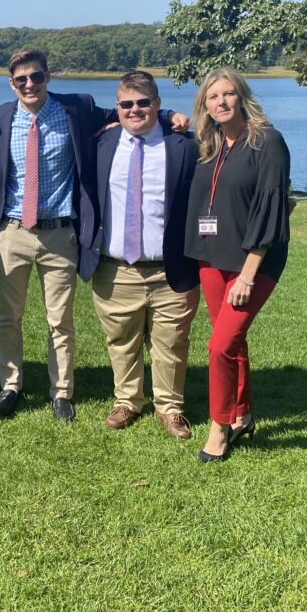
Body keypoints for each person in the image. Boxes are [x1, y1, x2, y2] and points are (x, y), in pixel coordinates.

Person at [0, 49, 114, 423]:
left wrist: (168, 115)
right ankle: (10, 386)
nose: (30, 85)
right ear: (12, 84)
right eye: (22, 79)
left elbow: (124, 114)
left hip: (60, 234)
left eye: (37, 77)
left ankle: (61, 392)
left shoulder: (77, 107)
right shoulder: (0, 118)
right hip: (12, 233)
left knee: (59, 320)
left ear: (48, 77)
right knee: (8, 316)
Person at [79, 71, 199, 440]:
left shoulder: (185, 146)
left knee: (172, 343)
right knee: (120, 340)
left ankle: (170, 407)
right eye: (127, 104)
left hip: (171, 268)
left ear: (157, 104)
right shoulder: (100, 144)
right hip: (115, 268)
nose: (135, 110)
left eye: (144, 103)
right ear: (117, 108)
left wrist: (170, 119)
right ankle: (127, 400)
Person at [184, 68, 291, 463]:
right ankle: (242, 414)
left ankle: (219, 426)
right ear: (205, 106)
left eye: (228, 94)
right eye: (213, 98)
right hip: (212, 258)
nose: (221, 103)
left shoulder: (268, 142)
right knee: (233, 342)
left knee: (220, 345)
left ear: (242, 97)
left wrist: (249, 271)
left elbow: (271, 207)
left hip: (254, 262)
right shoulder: (210, 145)